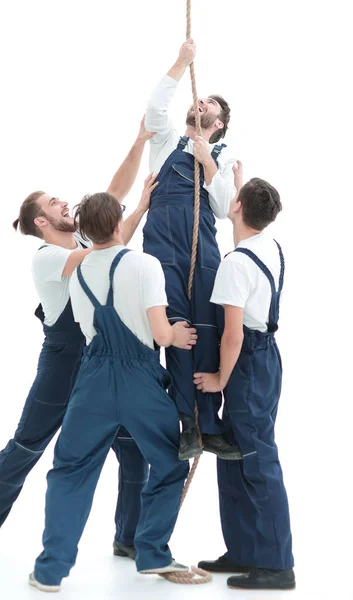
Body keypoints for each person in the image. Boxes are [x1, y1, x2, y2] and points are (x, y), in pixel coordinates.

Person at [0, 123, 153, 560]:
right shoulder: (48, 258)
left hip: (101, 363)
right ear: (42, 221)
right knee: (26, 447)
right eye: (54, 202)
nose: (64, 202)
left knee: (131, 447)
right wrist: (125, 216)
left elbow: (112, 201)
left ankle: (128, 537)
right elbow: (109, 243)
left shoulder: (87, 238)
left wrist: (139, 145)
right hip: (64, 364)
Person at [29, 192, 196, 592]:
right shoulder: (144, 265)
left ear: (84, 231)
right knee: (170, 463)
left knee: (70, 469)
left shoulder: (79, 271)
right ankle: (153, 552)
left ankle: (50, 571)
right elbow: (159, 333)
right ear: (118, 225)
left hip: (93, 380)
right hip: (140, 379)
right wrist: (176, 333)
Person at [195, 162, 295, 591]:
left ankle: (276, 564)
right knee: (235, 454)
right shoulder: (270, 245)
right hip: (266, 356)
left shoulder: (235, 263)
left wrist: (219, 378)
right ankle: (242, 549)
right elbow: (248, 209)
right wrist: (240, 186)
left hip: (246, 361)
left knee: (257, 458)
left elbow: (232, 335)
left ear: (235, 208)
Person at [144, 39, 241, 461]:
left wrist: (209, 162)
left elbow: (222, 208)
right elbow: (153, 110)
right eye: (199, 99)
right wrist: (182, 64)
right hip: (162, 241)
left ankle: (211, 424)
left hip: (202, 243)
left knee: (208, 326)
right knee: (176, 331)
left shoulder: (219, 153)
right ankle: (187, 424)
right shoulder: (165, 141)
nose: (201, 103)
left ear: (218, 124)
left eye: (209, 105)